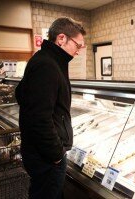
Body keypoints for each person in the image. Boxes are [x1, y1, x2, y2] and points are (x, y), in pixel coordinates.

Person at [15, 17, 86, 199]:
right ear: (61, 38)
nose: (78, 51)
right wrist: (56, 154)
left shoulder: (47, 60)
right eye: (78, 46)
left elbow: (21, 93)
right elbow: (39, 118)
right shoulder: (47, 65)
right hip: (46, 158)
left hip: (41, 154)